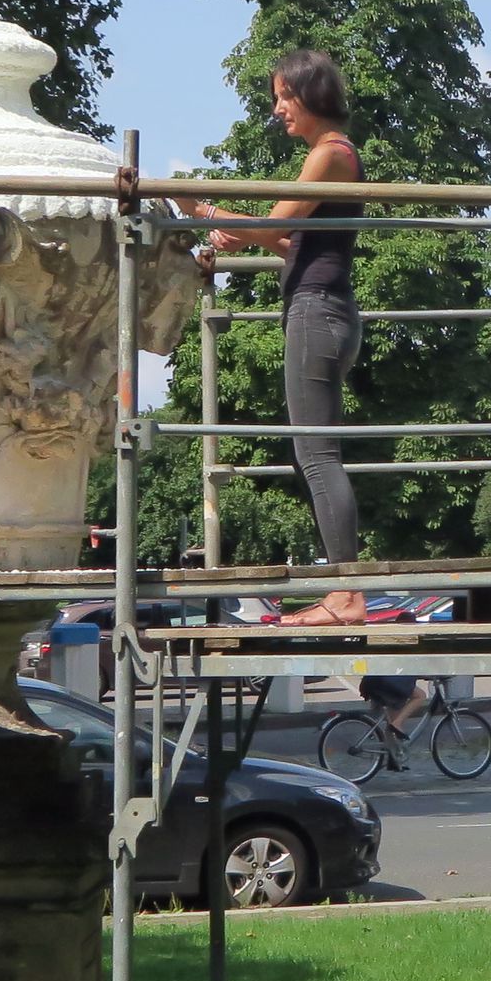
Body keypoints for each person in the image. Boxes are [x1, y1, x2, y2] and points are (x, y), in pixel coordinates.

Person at [175, 49, 367, 625]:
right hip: (326, 310)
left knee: (316, 457)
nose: (279, 109)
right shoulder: (331, 156)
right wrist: (231, 225)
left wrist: (203, 209)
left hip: (316, 313)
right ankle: (343, 590)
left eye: (284, 96)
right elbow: (287, 242)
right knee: (316, 454)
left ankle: (347, 594)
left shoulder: (329, 154)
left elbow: (273, 227)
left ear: (311, 94)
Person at [360, 675, 428, 768]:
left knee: (392, 722)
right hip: (388, 682)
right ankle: (397, 723)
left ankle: (393, 759)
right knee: (420, 696)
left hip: (373, 680)